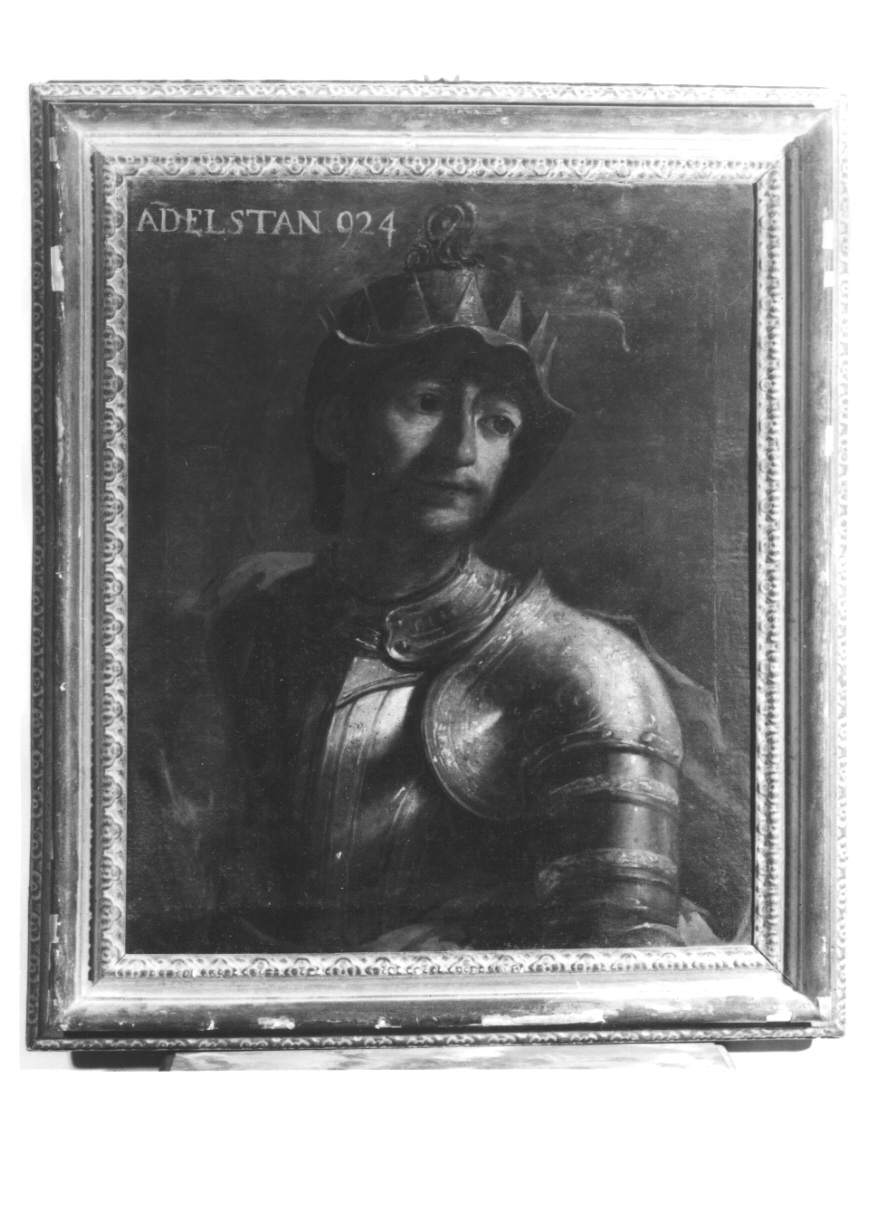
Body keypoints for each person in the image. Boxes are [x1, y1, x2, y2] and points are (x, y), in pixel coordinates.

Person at [208, 201, 688, 953]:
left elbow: (625, 961)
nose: (460, 449)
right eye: (426, 403)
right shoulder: (250, 626)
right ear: (336, 426)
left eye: (497, 422)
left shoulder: (586, 671)